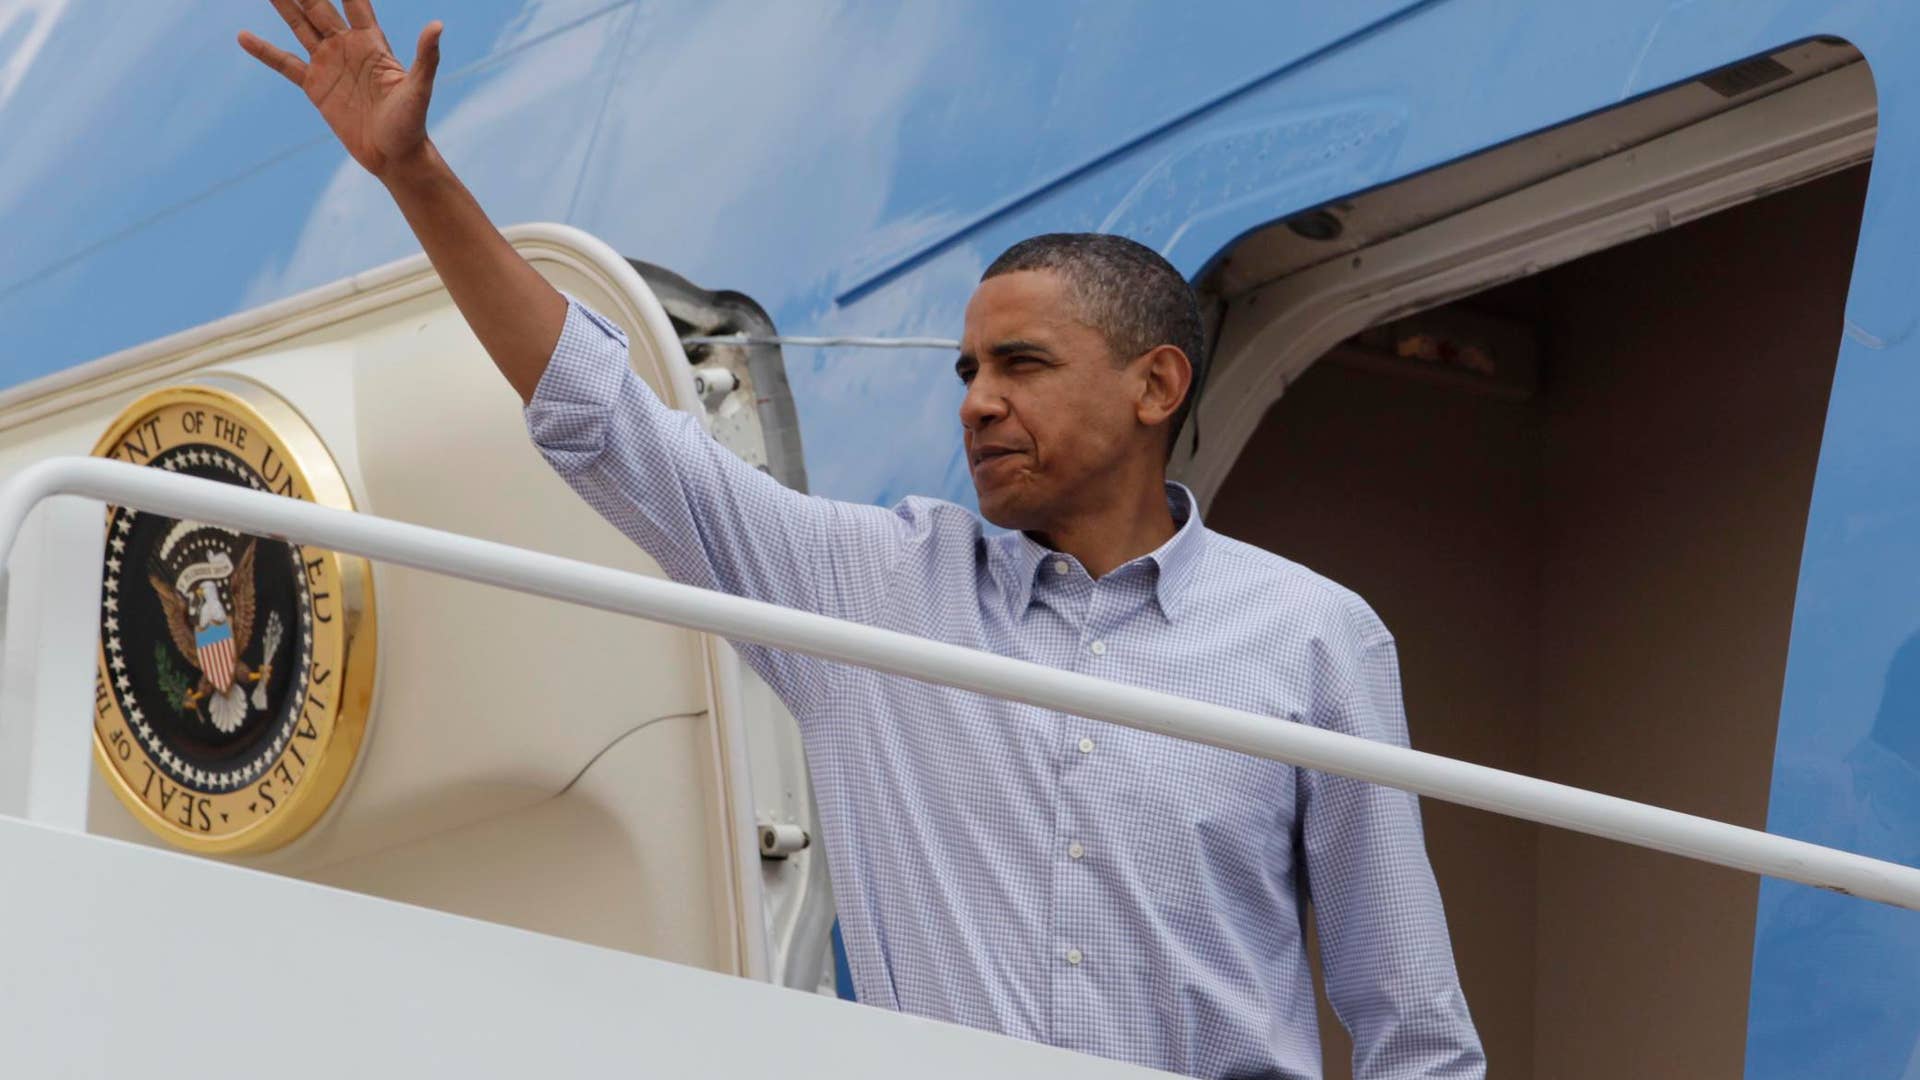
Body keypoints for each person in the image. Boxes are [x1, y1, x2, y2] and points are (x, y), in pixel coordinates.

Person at [239, 4, 1485, 1077]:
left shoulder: (1314, 637)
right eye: (965, 368)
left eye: (1023, 365)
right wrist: (417, 178)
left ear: (1156, 386)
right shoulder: (867, 589)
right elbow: (608, 420)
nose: (976, 399)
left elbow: (1413, 1026)